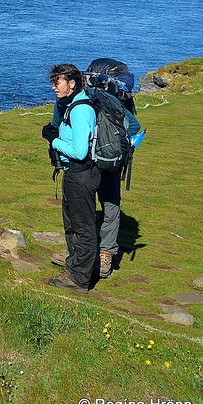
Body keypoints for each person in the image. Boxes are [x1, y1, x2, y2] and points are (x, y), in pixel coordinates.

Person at [50, 58, 142, 277]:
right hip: (109, 161)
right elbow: (135, 126)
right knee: (110, 206)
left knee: (81, 211)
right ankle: (105, 256)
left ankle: (77, 255)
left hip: (82, 165)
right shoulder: (111, 98)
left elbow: (56, 126)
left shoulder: (69, 102)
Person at [42, 64, 100, 293]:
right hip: (74, 173)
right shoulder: (72, 105)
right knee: (73, 225)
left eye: (58, 82)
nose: (54, 87)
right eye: (53, 82)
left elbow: (79, 151)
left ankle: (80, 279)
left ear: (72, 83)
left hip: (81, 173)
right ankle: (75, 269)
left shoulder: (80, 110)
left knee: (82, 227)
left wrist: (54, 140)